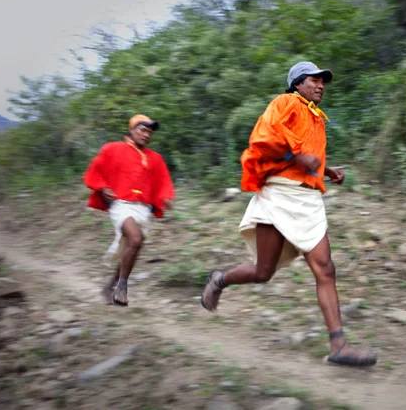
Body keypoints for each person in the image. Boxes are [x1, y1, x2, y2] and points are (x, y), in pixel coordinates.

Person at [201, 62, 377, 367]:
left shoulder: (316, 118)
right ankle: (220, 280)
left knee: (326, 270)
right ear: (297, 83)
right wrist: (295, 157)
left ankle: (339, 346)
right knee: (263, 272)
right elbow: (261, 141)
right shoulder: (285, 103)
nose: (321, 85)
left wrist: (326, 169)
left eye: (323, 81)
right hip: (278, 196)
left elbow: (307, 157)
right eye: (314, 80)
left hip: (308, 200)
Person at [83, 114, 175, 306]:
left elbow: (163, 182)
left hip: (143, 209)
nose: (146, 135)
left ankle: (109, 285)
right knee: (136, 239)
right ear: (131, 130)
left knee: (131, 247)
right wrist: (102, 187)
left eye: (149, 132)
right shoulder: (112, 149)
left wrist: (165, 198)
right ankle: (122, 287)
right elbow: (94, 170)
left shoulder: (155, 159)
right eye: (142, 130)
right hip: (120, 205)